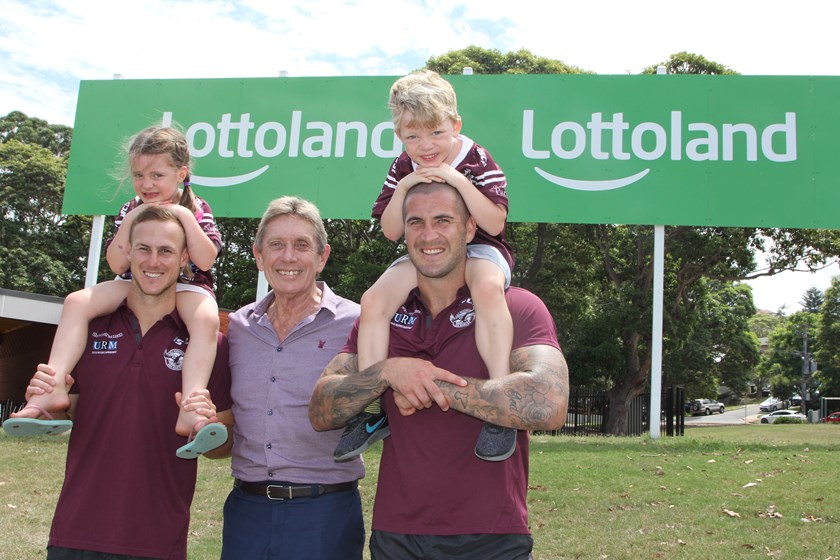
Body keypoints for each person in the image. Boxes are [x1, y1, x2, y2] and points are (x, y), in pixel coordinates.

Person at [310, 181, 569, 560]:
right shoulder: (381, 316)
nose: (428, 235)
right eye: (416, 222)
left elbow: (549, 403)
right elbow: (320, 410)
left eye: (443, 220)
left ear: (469, 228)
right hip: (397, 535)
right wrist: (386, 373)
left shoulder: (516, 307)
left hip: (492, 536)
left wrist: (431, 385)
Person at [20, 205, 233, 560]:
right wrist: (45, 398)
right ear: (129, 252)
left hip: (157, 541)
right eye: (144, 249)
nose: (154, 261)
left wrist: (208, 423)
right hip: (75, 533)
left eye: (166, 251)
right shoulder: (86, 329)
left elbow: (224, 446)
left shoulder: (210, 344)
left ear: (184, 258)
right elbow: (71, 411)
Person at [4, 126, 224, 456]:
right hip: (133, 283)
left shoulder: (196, 207)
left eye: (157, 175)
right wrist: (133, 218)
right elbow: (117, 263)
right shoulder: (130, 208)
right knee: (76, 301)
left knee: (207, 320)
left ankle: (191, 407)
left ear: (181, 173)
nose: (147, 184)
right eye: (139, 175)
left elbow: (205, 259)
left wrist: (181, 215)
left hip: (188, 286)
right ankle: (51, 388)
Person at [335, 69, 517, 462]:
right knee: (373, 300)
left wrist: (457, 181)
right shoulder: (403, 165)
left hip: (481, 250)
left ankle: (500, 401)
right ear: (399, 134)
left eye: (436, 133)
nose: (426, 145)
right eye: (413, 137)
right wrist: (405, 186)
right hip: (427, 253)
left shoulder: (477, 159)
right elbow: (391, 231)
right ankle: (372, 409)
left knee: (487, 287)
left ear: (456, 125)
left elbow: (494, 223)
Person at [211, 196, 366, 559]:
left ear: (322, 256)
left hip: (325, 512)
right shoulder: (238, 327)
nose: (289, 257)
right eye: (277, 245)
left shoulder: (358, 323)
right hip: (246, 511)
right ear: (258, 256)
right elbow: (227, 424)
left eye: (302, 245)